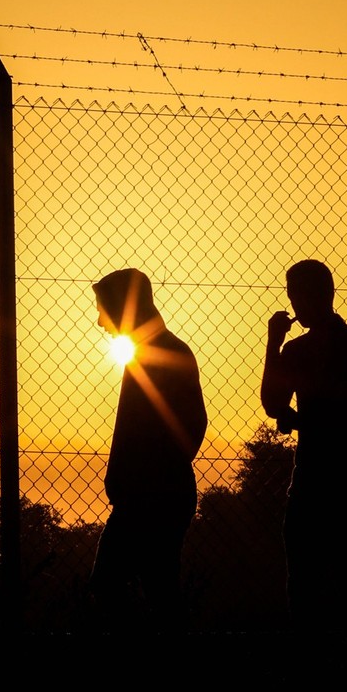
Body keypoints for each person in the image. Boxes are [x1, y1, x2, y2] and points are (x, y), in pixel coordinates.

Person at [261, 259, 347, 632]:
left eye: (296, 294)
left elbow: (273, 403)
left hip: (321, 475)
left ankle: (314, 655)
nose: (294, 303)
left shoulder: (302, 350)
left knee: (308, 574)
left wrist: (273, 344)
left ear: (316, 295)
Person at [90, 268, 208, 632]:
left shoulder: (157, 353)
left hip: (150, 497)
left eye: (103, 309)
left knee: (110, 584)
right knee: (159, 588)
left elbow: (189, 425)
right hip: (156, 493)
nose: (99, 322)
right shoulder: (155, 350)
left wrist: (147, 478)